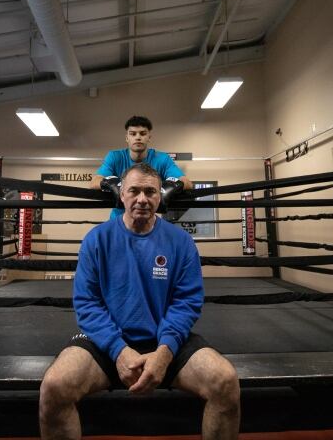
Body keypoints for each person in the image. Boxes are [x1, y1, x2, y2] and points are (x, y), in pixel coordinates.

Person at [40, 163, 240, 440]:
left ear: (160, 197)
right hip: (107, 344)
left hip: (165, 342)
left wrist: (165, 353)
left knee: (225, 382)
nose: (142, 199)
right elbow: (87, 304)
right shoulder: (96, 240)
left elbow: (187, 301)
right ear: (121, 194)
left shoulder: (181, 242)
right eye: (134, 190)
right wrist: (119, 351)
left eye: (150, 191)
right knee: (54, 386)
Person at [90, 115, 193, 219]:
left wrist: (166, 189)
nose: (138, 137)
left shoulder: (162, 159)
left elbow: (187, 183)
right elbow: (94, 182)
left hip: (148, 219)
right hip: (118, 220)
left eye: (143, 133)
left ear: (149, 137)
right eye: (133, 134)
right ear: (127, 138)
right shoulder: (115, 157)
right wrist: (116, 186)